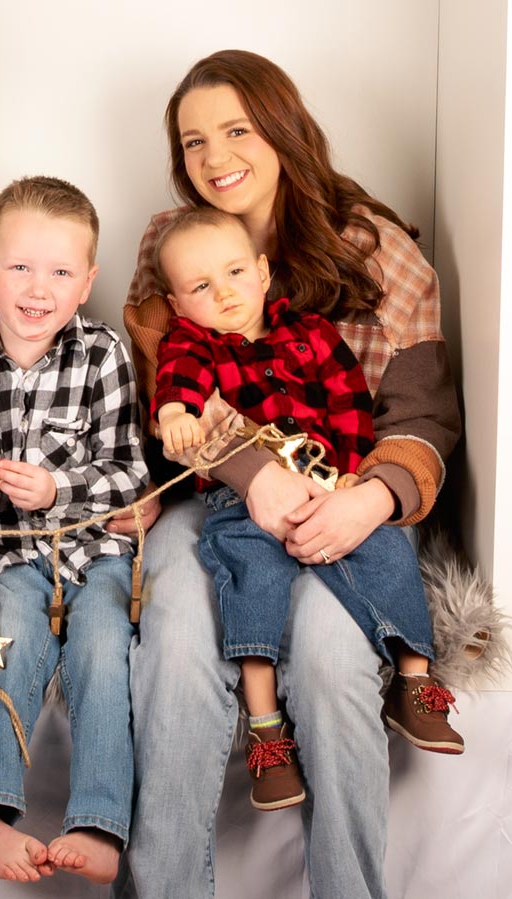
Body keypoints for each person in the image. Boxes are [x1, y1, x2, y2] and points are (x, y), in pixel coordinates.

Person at [107, 50, 461, 898]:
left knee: (335, 664)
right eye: (193, 141)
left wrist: (367, 501)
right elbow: (169, 396)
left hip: (345, 497)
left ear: (284, 127)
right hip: (211, 496)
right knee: (178, 643)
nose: (215, 157)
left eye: (236, 129)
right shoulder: (170, 242)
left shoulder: (379, 250)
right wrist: (252, 471)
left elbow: (421, 417)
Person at [151, 207, 462, 812]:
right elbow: (178, 379)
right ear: (177, 303)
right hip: (244, 498)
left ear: (264, 272)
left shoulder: (312, 333)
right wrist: (174, 413)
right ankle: (267, 731)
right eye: (201, 286)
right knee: (251, 575)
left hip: (329, 482)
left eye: (236, 273)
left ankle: (414, 679)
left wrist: (350, 475)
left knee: (385, 550)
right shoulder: (193, 341)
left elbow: (349, 403)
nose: (225, 293)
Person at [0, 176, 148, 885]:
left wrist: (56, 490)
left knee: (103, 650)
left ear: (88, 282)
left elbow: (129, 474)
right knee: (6, 646)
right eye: (19, 266)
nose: (38, 289)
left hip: (96, 554)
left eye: (60, 273)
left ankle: (99, 821)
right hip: (7, 557)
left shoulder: (103, 354)